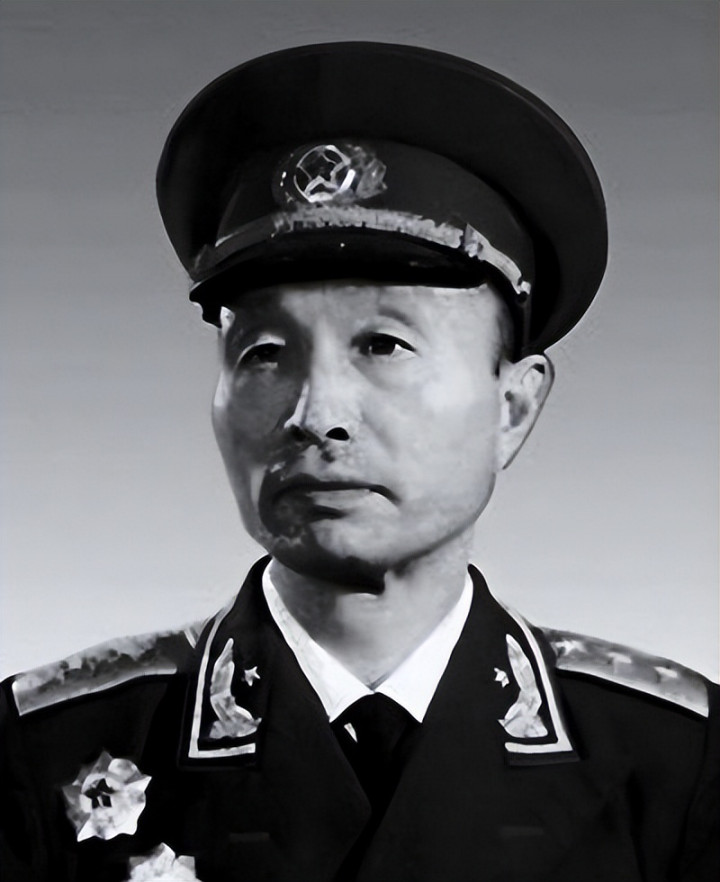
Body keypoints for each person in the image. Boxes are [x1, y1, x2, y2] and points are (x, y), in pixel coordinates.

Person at [1, 42, 717, 882]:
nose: (315, 416)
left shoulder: (674, 763)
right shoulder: (41, 753)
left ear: (513, 407)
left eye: (382, 345)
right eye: (264, 354)